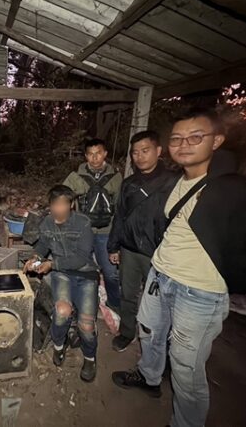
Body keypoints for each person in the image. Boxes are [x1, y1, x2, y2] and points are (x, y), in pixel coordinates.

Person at [112, 108, 246, 427]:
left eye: (195, 137)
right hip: (161, 275)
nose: (184, 144)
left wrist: (236, 284)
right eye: (177, 138)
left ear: (217, 141)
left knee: (186, 366)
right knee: (149, 333)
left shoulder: (232, 188)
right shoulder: (176, 181)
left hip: (199, 291)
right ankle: (149, 378)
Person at [107, 130, 178, 352]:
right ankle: (127, 331)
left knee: (160, 301)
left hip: (158, 253)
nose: (139, 156)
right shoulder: (129, 183)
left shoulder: (173, 182)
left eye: (145, 150)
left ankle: (159, 343)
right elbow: (120, 215)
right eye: (135, 152)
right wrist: (114, 246)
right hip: (129, 250)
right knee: (128, 294)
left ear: (158, 151)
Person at [24, 185, 99, 382]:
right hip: (62, 274)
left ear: (71, 204)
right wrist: (35, 257)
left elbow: (81, 257)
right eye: (54, 205)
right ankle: (59, 346)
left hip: (86, 274)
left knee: (86, 324)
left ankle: (90, 358)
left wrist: (51, 264)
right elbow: (43, 244)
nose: (58, 209)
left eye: (63, 204)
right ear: (50, 205)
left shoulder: (82, 223)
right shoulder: (47, 223)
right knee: (62, 311)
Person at [63, 138, 122, 311]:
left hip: (107, 232)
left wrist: (117, 241)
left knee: (110, 273)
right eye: (90, 154)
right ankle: (81, 305)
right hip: (83, 232)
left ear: (105, 154)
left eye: (98, 153)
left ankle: (114, 304)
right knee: (81, 270)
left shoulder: (116, 178)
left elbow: (121, 208)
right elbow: (61, 198)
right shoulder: (75, 177)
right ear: (85, 156)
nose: (95, 158)